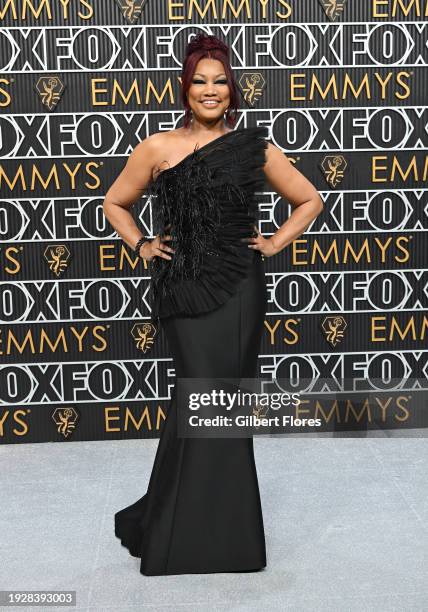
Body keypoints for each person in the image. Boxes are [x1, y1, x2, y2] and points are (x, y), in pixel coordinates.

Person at [102, 33, 323, 576]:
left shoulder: (253, 146)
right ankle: (178, 530)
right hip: (183, 286)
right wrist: (142, 244)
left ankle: (227, 539)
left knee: (226, 408)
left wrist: (271, 242)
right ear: (185, 87)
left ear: (232, 88)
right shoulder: (157, 147)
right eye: (199, 80)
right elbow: (115, 202)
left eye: (219, 80)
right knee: (196, 396)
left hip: (240, 291)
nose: (209, 90)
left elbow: (309, 198)